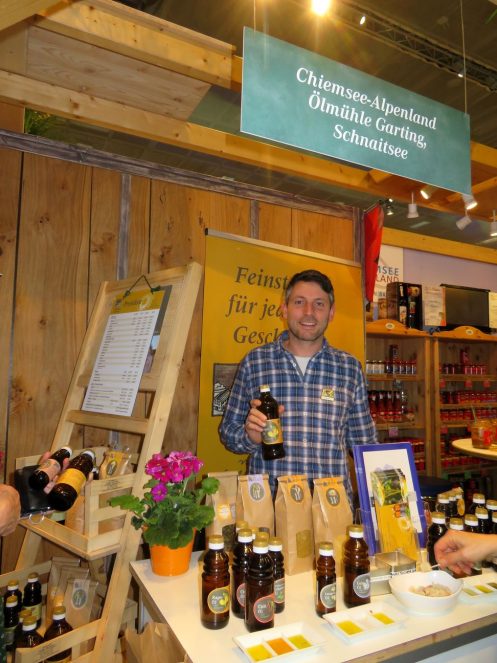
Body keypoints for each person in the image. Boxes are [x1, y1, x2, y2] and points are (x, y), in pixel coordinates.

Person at [219, 269, 377, 505]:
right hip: (268, 506)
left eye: (319, 304)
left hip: (332, 507)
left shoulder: (349, 367)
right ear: (284, 309)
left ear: (331, 313)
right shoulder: (255, 362)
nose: (308, 312)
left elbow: (365, 444)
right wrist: (251, 437)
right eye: (299, 302)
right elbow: (228, 433)